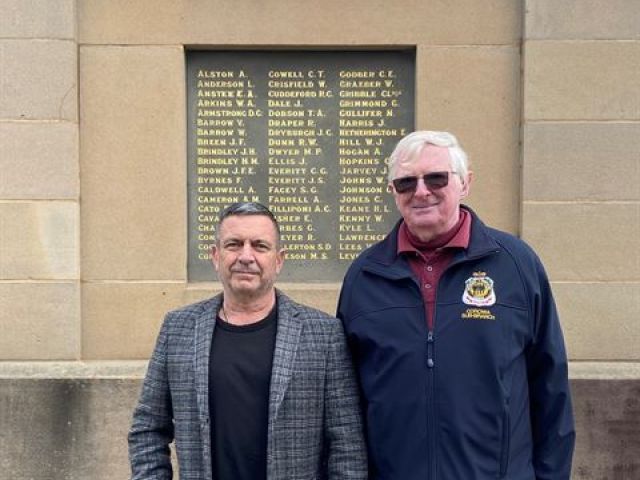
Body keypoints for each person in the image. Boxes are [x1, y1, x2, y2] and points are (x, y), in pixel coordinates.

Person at [337, 131, 575, 480]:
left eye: (436, 178)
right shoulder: (365, 275)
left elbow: (550, 387)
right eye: (405, 182)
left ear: (465, 183)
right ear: (393, 193)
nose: (421, 191)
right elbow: (346, 401)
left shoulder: (516, 265)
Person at [129, 202, 367, 480]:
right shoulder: (178, 328)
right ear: (216, 256)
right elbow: (148, 428)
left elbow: (347, 445)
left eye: (259, 245)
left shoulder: (323, 335)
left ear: (279, 260)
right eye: (234, 244)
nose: (246, 256)